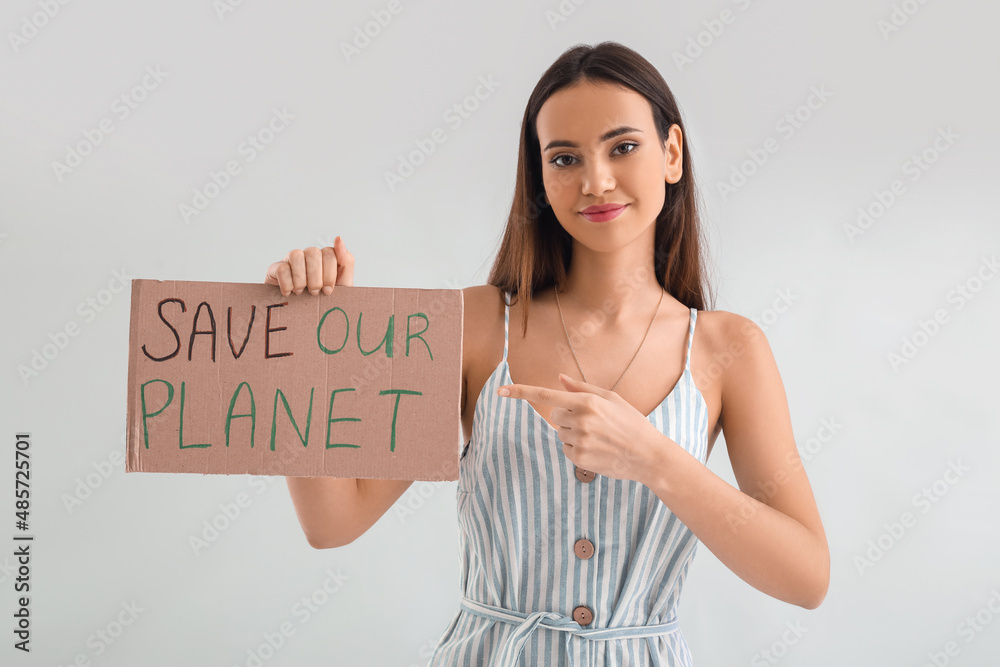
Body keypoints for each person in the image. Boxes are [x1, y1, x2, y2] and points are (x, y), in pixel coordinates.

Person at [267, 40, 829, 667]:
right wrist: (305, 346)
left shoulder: (730, 349)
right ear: (540, 175)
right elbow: (334, 522)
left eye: (623, 146)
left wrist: (654, 460)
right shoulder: (473, 326)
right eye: (565, 158)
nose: (595, 181)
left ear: (671, 154)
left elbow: (806, 577)